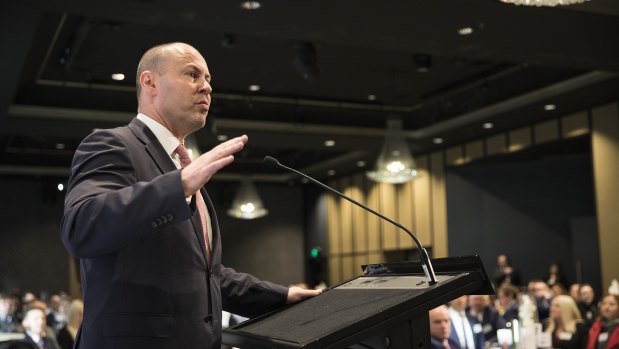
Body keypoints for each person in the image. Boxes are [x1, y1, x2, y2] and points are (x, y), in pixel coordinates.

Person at [60, 42, 321, 349]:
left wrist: (282, 296)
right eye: (192, 75)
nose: (206, 88)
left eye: (208, 79)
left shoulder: (179, 165)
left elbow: (202, 275)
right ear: (150, 82)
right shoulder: (114, 144)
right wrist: (179, 185)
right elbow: (81, 226)